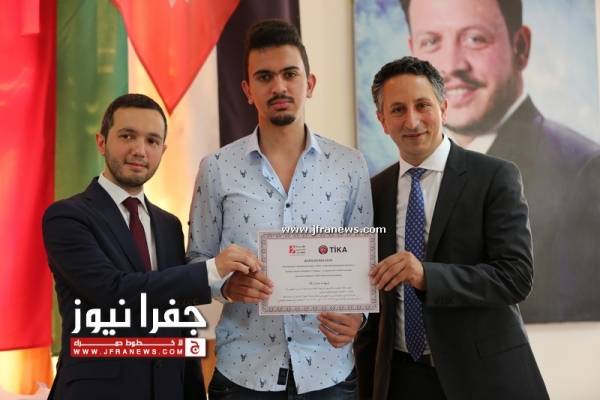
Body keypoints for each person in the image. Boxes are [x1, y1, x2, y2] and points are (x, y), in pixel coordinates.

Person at [187, 20, 373, 399]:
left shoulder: (349, 165)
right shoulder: (216, 168)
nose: (279, 87)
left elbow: (364, 265)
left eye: (290, 74)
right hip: (244, 374)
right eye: (264, 77)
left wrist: (360, 316)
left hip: (328, 373)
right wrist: (226, 285)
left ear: (310, 84)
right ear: (247, 90)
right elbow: (196, 260)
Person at [354, 57, 549, 400]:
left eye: (422, 105)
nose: (412, 120)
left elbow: (516, 277)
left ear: (443, 108)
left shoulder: (495, 177)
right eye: (397, 109)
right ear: (382, 120)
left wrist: (427, 276)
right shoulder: (374, 191)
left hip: (483, 378)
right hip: (400, 379)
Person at [42, 94, 260, 400]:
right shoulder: (67, 216)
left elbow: (180, 316)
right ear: (101, 142)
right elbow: (114, 292)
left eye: (152, 140)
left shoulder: (169, 225)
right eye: (127, 136)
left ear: (163, 150)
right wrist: (211, 270)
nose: (139, 150)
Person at [397, 0, 600, 322]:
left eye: (475, 39)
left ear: (521, 47)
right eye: (431, 42)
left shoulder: (583, 170)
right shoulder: (392, 181)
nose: (451, 65)